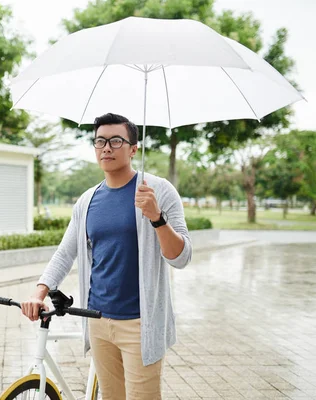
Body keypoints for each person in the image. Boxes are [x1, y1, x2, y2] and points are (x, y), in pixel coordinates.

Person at [21, 113, 192, 400]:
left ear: (134, 148)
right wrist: (39, 292)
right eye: (100, 141)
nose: (107, 148)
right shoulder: (87, 200)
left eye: (116, 140)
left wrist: (157, 218)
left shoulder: (159, 191)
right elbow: (65, 253)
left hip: (141, 324)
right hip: (97, 320)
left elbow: (181, 257)